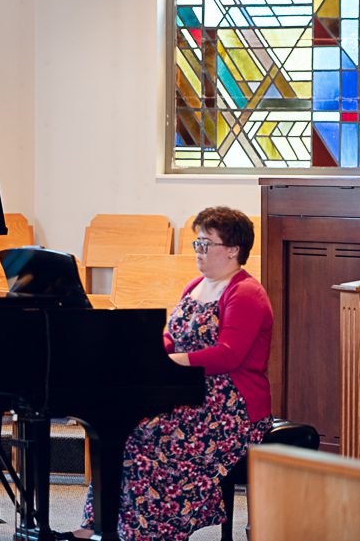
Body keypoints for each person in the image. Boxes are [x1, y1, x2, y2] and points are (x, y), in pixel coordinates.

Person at [73, 206, 273, 540]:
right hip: (189, 392)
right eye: (197, 242)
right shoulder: (196, 285)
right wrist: (147, 356)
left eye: (206, 243)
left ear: (233, 250)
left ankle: (150, 532)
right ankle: (101, 524)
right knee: (122, 426)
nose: (199, 250)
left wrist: (171, 362)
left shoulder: (246, 292)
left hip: (232, 406)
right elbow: (170, 337)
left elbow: (228, 356)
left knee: (151, 437)